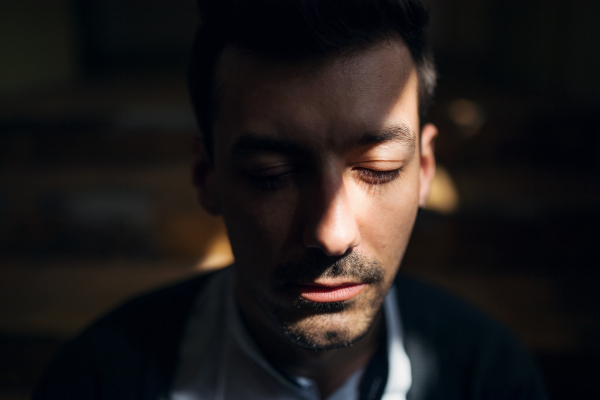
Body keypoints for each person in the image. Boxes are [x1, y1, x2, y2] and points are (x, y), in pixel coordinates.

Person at [34, 1, 547, 399]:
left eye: (377, 169)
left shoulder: (492, 377)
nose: (331, 232)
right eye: (271, 175)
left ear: (424, 172)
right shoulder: (96, 380)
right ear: (206, 177)